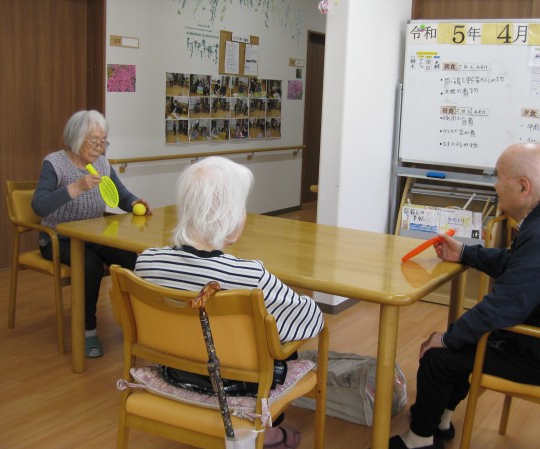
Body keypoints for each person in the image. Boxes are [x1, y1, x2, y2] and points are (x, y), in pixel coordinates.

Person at [389, 143, 540, 449]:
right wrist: (465, 253)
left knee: (438, 355)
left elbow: (503, 307)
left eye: (499, 177)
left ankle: (418, 440)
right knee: (464, 339)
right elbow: (517, 264)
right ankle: (440, 421)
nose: (495, 186)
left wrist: (447, 338)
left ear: (523, 187)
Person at [134, 156, 324, 449]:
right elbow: (311, 320)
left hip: (174, 373)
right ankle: (266, 431)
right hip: (237, 385)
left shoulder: (147, 262)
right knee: (279, 338)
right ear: (229, 217)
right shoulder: (249, 275)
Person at [32, 110, 151, 358]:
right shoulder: (54, 163)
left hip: (94, 234)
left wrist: (134, 203)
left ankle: (139, 322)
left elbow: (120, 195)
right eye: (94, 141)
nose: (99, 148)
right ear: (76, 138)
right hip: (58, 238)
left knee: (131, 258)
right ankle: (88, 331)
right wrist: (75, 187)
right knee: (90, 266)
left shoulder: (103, 164)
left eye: (103, 141)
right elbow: (39, 205)